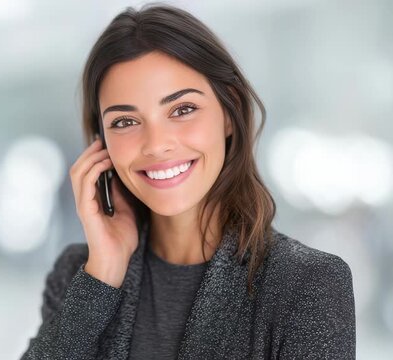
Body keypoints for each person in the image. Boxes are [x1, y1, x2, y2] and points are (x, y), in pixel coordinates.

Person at [20, 3, 355, 360]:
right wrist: (103, 274)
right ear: (100, 145)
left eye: (182, 110)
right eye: (125, 122)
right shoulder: (80, 274)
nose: (156, 144)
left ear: (230, 112)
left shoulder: (306, 284)